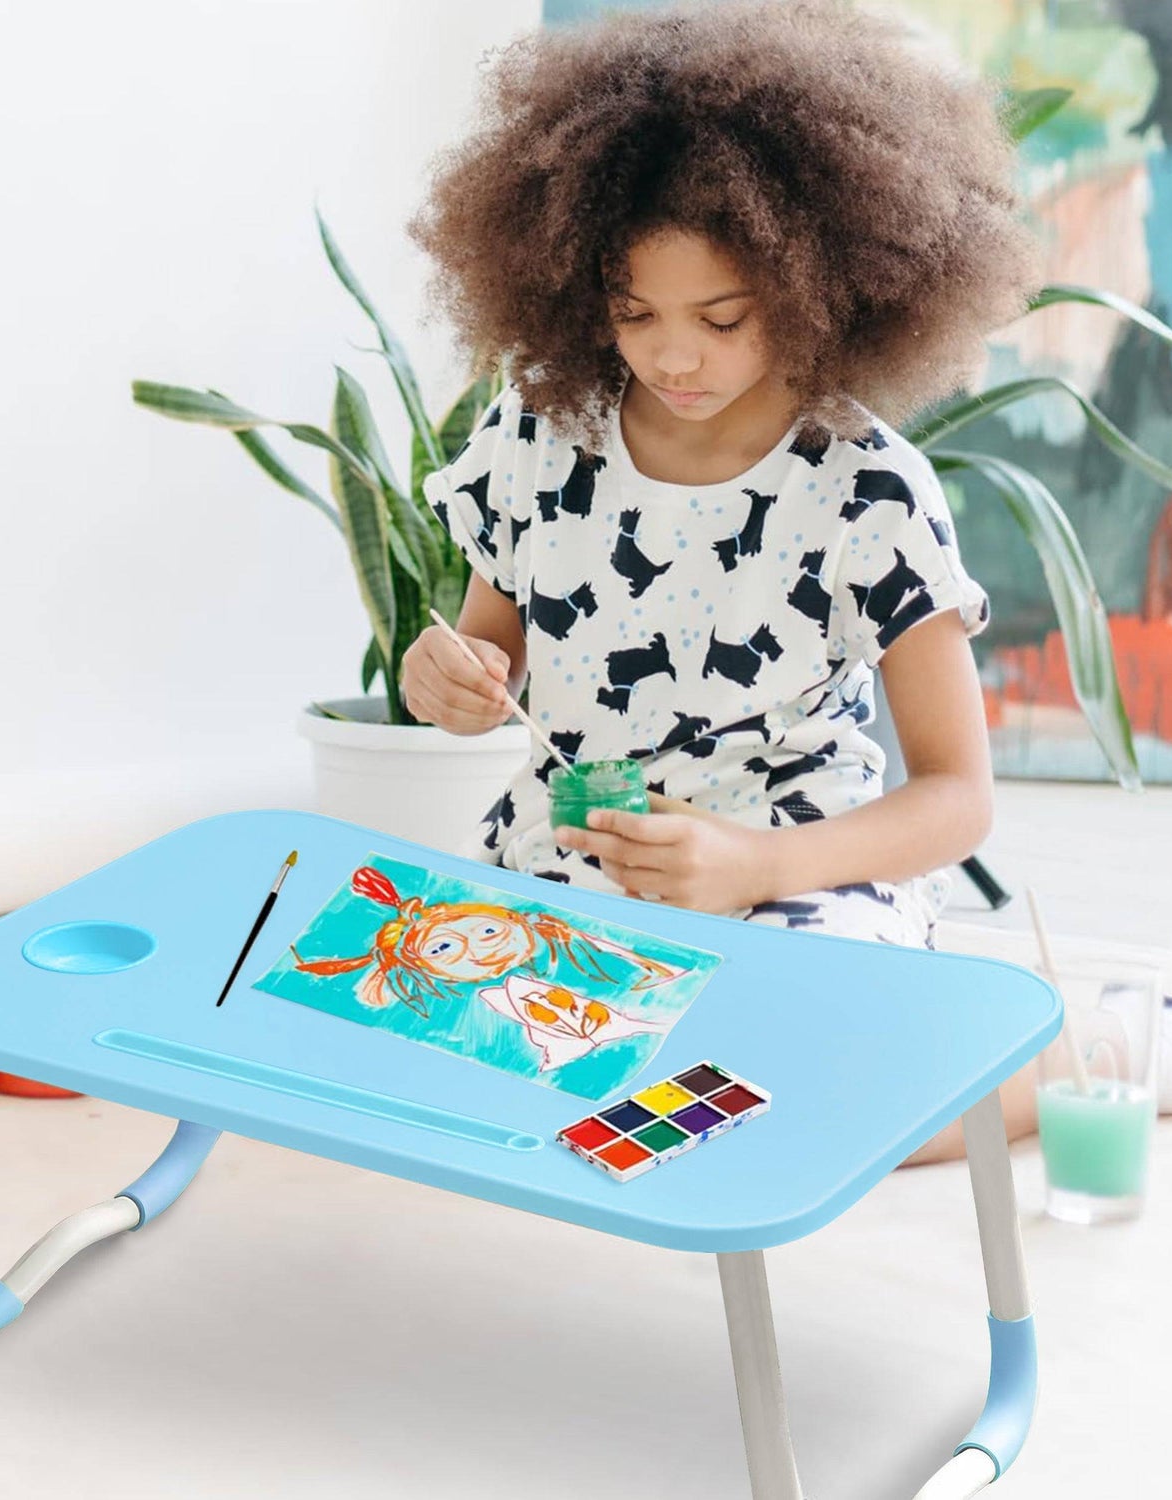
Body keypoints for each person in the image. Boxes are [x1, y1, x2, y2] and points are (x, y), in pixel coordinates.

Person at [399, 0, 1041, 1163]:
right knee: (408, 1031)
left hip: (797, 880)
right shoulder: (543, 436)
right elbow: (490, 649)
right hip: (570, 864)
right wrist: (442, 676)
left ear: (817, 290)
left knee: (789, 1093)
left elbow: (960, 797)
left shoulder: (867, 490)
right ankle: (646, 1107)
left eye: (722, 317)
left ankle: (1102, 1064)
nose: (673, 356)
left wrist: (757, 865)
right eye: (634, 313)